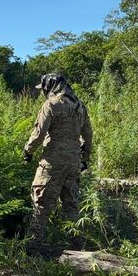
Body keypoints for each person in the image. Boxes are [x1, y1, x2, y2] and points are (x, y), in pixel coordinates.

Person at [22, 73, 93, 256]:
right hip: (73, 162)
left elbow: (39, 133)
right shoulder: (80, 107)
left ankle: (32, 249)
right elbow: (88, 135)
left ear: (50, 86)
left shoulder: (51, 104)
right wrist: (84, 158)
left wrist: (28, 151)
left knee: (42, 204)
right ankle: (79, 249)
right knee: (71, 206)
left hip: (53, 161)